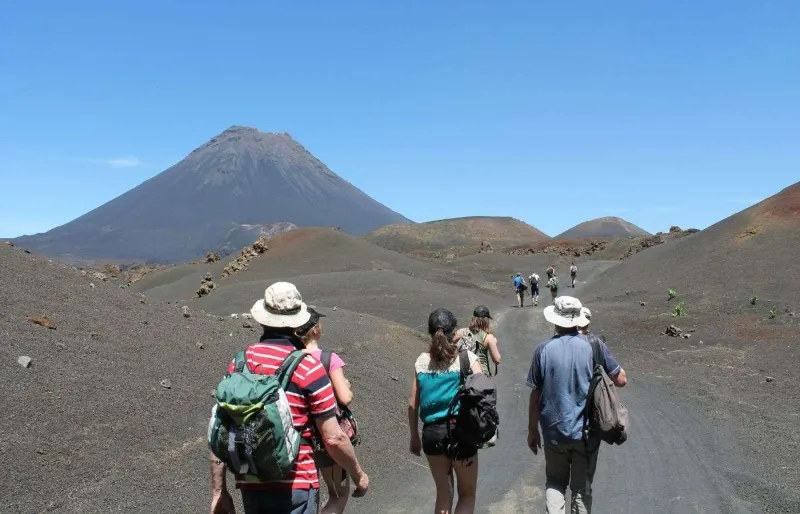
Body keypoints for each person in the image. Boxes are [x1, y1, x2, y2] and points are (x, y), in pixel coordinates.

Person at [210, 281, 369, 514]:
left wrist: (218, 491)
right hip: (296, 483)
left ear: (262, 319)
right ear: (297, 322)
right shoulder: (308, 367)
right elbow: (334, 438)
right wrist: (358, 474)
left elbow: (220, 428)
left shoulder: (240, 363)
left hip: (250, 482)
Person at [526, 296, 628, 514]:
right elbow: (621, 380)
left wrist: (532, 430)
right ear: (578, 320)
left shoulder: (542, 350)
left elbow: (535, 395)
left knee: (555, 482)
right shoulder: (594, 346)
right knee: (581, 489)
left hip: (554, 433)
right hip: (586, 433)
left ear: (555, 321)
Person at [408, 308, 485, 514]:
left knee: (444, 493)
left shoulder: (421, 362)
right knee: (467, 494)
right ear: (454, 332)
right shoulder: (467, 358)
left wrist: (414, 436)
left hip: (432, 434)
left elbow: (412, 403)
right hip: (461, 433)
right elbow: (483, 392)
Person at [295, 307, 356, 514]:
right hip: (326, 435)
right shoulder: (329, 359)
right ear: (316, 330)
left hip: (300, 435)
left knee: (314, 493)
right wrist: (346, 385)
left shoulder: (291, 359)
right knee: (338, 495)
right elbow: (344, 398)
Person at [455, 305, 501, 376]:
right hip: (481, 375)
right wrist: (494, 343)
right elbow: (497, 360)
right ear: (486, 320)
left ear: (473, 319)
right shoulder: (489, 337)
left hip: (463, 373)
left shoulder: (460, 332)